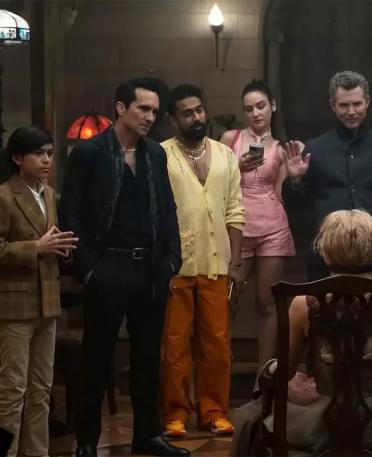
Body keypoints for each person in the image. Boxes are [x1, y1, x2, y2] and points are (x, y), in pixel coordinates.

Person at [230, 210, 372, 456]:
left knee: (252, 418)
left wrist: (268, 370)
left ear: (327, 249)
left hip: (324, 415)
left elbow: (285, 372)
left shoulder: (303, 304)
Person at [60, 78, 188, 457]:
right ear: (120, 108)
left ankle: (147, 435)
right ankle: (86, 440)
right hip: (108, 265)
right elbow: (70, 213)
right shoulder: (90, 153)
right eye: (143, 109)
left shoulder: (155, 154)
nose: (150, 117)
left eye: (154, 111)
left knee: (147, 358)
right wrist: (88, 269)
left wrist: (172, 259)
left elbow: (167, 208)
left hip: (149, 266)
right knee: (96, 357)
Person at [0, 126, 78, 457]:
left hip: (48, 302)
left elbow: (51, 243)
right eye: (39, 154)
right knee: (13, 389)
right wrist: (36, 247)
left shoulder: (49, 194)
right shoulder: (1, 196)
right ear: (18, 158)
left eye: (49, 153)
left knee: (41, 389)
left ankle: (37, 452)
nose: (47, 160)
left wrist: (62, 249)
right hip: (14, 305)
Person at [160, 84, 244, 438]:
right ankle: (175, 413)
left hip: (216, 262)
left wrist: (235, 264)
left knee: (217, 345)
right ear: (173, 119)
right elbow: (156, 213)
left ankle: (214, 411)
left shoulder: (225, 154)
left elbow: (235, 210)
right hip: (175, 265)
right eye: (187, 113)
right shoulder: (161, 155)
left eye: (199, 110)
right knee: (175, 345)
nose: (196, 118)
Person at [284, 70, 372, 280]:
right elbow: (298, 208)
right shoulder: (315, 149)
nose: (351, 111)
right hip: (325, 258)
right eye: (344, 105)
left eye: (357, 104)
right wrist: (295, 181)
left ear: (367, 102)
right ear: (332, 105)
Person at [219, 79, 298, 368]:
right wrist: (235, 167)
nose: (255, 113)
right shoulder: (230, 138)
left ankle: (262, 377)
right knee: (227, 300)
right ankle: (218, 371)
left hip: (272, 227)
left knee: (267, 303)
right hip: (236, 226)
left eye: (261, 106)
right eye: (249, 108)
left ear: (272, 106)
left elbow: (280, 194)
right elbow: (210, 182)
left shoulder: (280, 148)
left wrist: (296, 178)